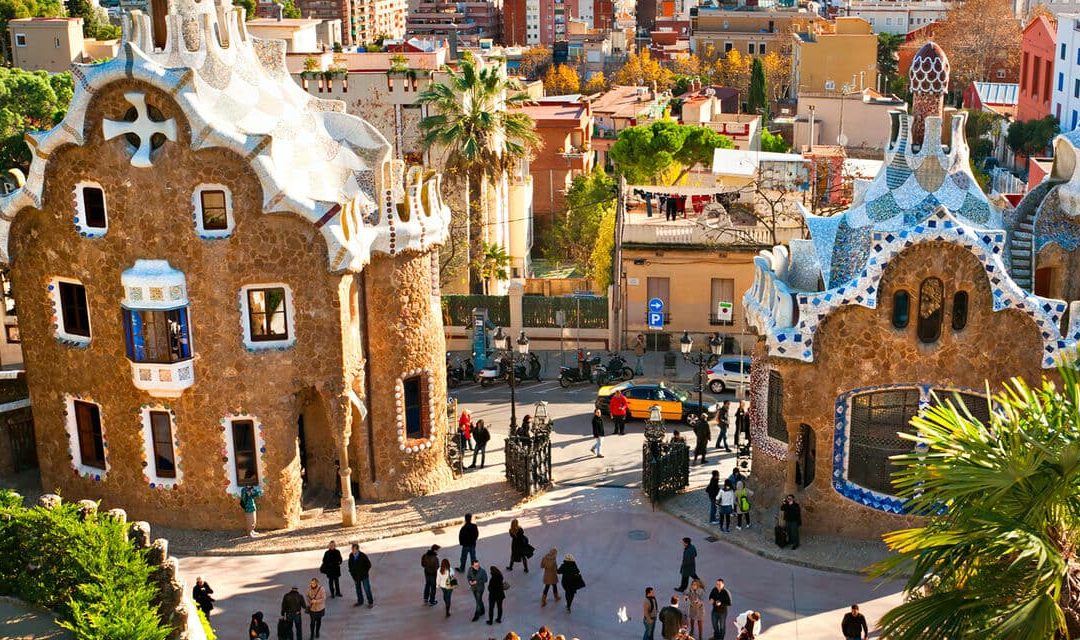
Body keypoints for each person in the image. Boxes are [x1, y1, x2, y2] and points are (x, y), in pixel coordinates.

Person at [346, 543, 373, 608]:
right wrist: (352, 574)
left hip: (364, 576)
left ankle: (370, 602)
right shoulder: (351, 556)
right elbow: (350, 565)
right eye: (352, 549)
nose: (352, 551)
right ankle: (360, 601)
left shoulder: (363, 555)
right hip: (356, 576)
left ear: (357, 549)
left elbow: (369, 565)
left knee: (367, 589)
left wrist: (364, 572)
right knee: (358, 589)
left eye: (354, 549)